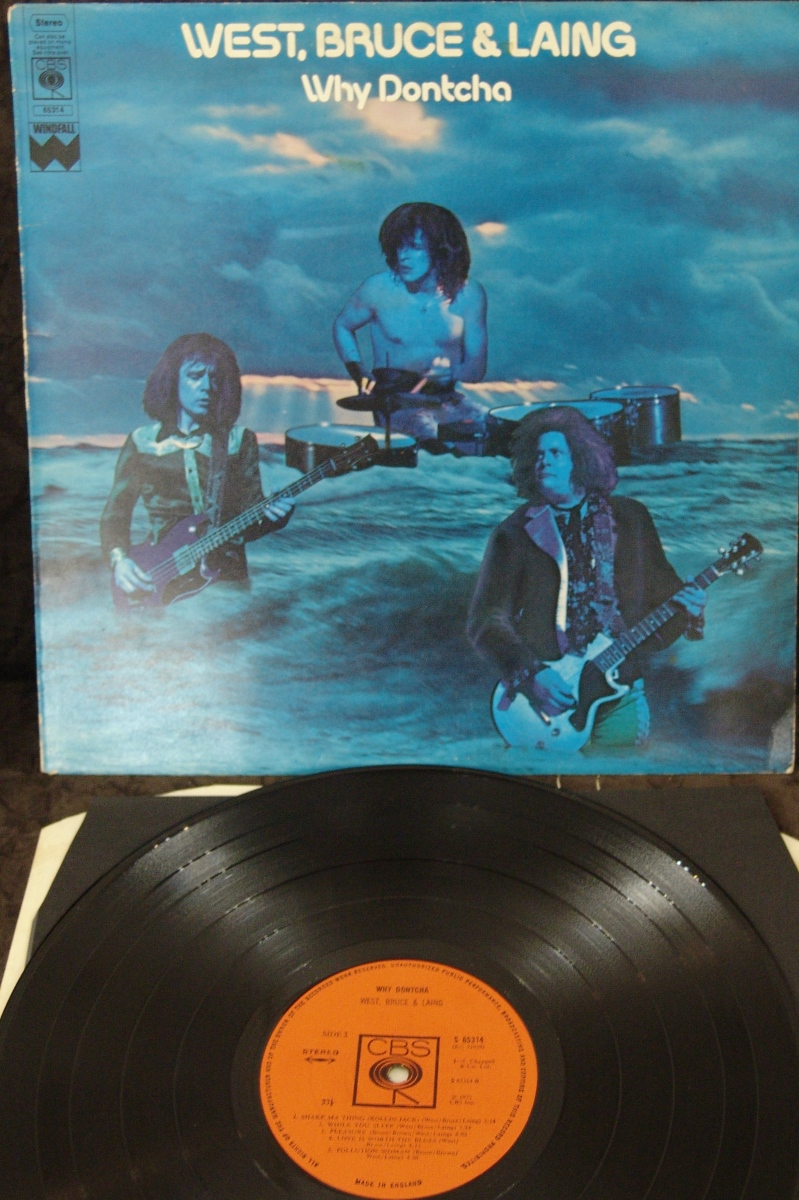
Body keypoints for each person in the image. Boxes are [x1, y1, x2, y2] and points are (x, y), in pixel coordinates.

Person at [466, 406, 706, 749]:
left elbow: (662, 604)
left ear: (581, 459)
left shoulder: (632, 518)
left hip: (619, 692)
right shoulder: (512, 534)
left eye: (555, 453)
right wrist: (532, 674)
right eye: (537, 455)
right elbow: (485, 621)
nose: (543, 462)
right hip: (544, 698)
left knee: (617, 775)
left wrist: (691, 611)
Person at [100, 332, 292, 598]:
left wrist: (274, 519)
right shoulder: (142, 442)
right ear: (172, 381)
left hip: (227, 582)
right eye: (195, 376)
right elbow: (116, 515)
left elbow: (247, 524)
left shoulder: (238, 441)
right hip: (158, 578)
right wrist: (120, 561)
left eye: (215, 378)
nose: (207, 387)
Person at [332, 202, 488, 442]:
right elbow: (342, 326)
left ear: (441, 249)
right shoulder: (378, 288)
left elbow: (476, 371)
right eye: (398, 246)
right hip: (395, 406)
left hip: (445, 401)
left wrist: (452, 372)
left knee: (495, 432)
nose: (402, 256)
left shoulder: (470, 294)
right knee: (429, 437)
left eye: (414, 247)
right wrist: (357, 371)